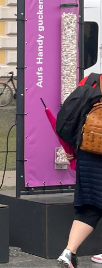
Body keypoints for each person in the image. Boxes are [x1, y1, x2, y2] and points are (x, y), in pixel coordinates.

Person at [56, 71, 102, 268]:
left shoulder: (91, 81)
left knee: (90, 207)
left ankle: (68, 252)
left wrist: (70, 150)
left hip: (89, 152)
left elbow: (70, 116)